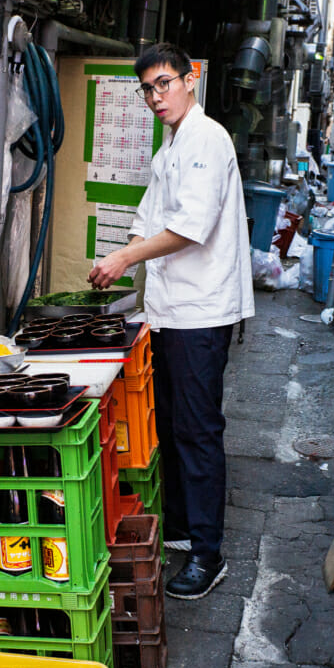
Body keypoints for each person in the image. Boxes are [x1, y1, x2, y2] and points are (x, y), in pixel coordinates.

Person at [88, 43, 254, 599]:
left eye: (165, 84)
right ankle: (184, 531)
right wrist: (120, 258)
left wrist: (124, 258)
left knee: (199, 430)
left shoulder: (207, 139)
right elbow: (147, 219)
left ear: (189, 81)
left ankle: (210, 556)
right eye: (148, 89)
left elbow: (190, 229)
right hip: (169, 312)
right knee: (176, 426)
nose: (157, 97)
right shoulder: (169, 151)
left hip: (201, 312)